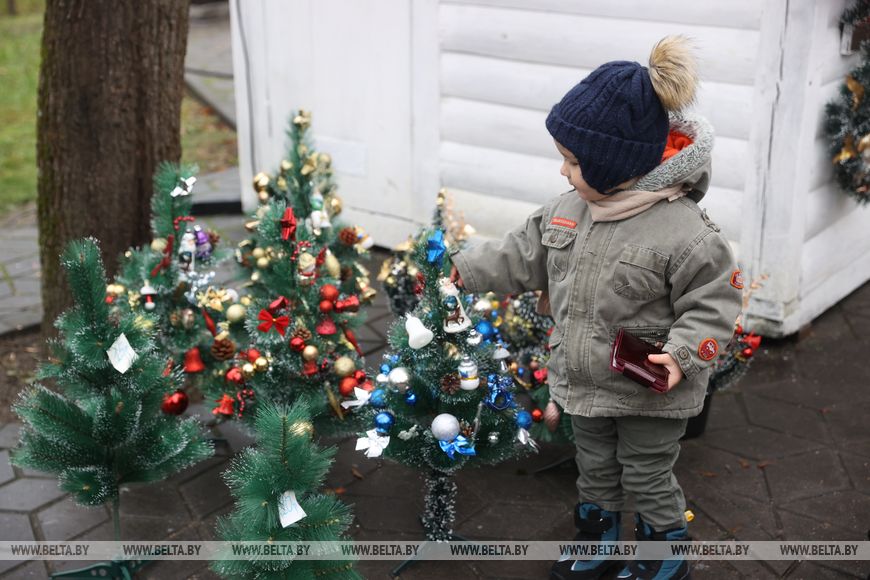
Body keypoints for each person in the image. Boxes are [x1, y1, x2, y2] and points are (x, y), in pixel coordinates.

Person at [449, 36, 742, 580]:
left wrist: (681, 354)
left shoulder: (685, 234)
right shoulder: (566, 212)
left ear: (616, 165)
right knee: (596, 467)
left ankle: (664, 553)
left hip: (648, 390)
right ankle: (599, 541)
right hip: (582, 381)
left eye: (574, 162)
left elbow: (714, 303)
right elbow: (519, 253)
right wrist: (462, 270)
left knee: (647, 472)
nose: (564, 172)